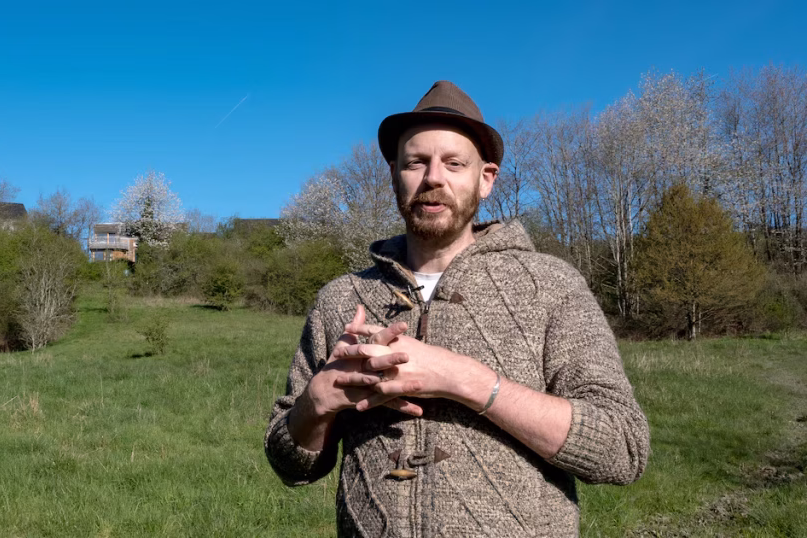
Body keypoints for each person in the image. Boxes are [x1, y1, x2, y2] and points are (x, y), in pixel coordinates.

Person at [264, 80, 649, 537]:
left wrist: (466, 380)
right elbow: (290, 464)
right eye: (416, 162)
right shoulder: (341, 299)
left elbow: (622, 448)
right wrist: (316, 404)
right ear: (394, 173)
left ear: (486, 178)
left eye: (453, 163)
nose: (433, 178)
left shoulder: (550, 286)